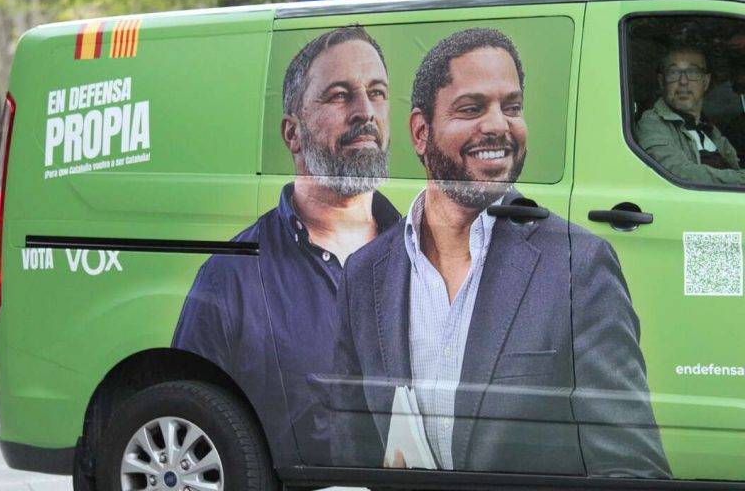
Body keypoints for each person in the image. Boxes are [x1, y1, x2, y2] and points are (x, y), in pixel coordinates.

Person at [330, 28, 671, 478]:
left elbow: (632, 468)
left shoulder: (577, 267)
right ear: (420, 132)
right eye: (472, 108)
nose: (498, 125)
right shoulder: (365, 273)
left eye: (511, 107)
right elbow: (349, 453)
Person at [172, 26, 400, 466]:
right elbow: (192, 422)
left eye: (377, 93)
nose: (365, 112)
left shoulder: (428, 259)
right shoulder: (231, 277)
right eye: (339, 96)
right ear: (292, 134)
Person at [636, 44, 745, 185]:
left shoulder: (709, 128)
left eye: (693, 72)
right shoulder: (652, 125)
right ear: (662, 82)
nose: (683, 81)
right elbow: (678, 173)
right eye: (673, 73)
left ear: (705, 82)